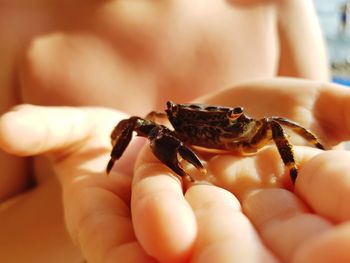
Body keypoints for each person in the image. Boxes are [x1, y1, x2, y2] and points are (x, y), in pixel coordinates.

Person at [0, 0, 341, 262]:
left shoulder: (274, 6)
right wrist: (102, 181)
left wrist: (304, 160)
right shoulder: (12, 19)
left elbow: (303, 134)